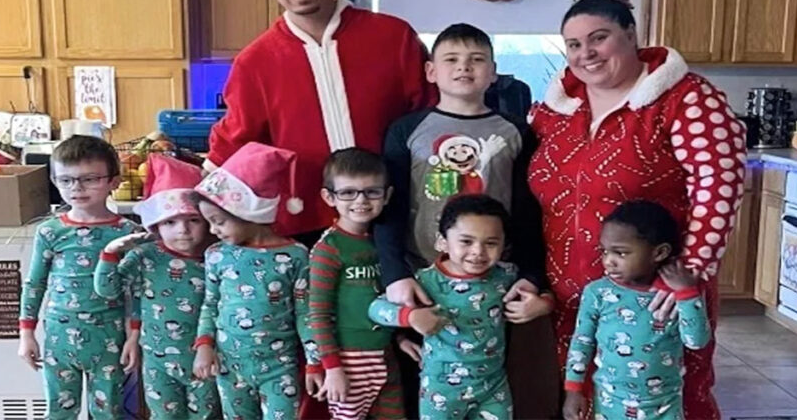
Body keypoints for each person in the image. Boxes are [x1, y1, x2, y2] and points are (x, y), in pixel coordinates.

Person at [527, 0, 746, 420]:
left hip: (653, 299)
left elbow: (718, 186)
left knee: (663, 403)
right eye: (573, 44)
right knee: (579, 398)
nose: (586, 53)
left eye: (599, 38)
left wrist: (688, 273)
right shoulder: (557, 108)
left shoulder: (685, 99)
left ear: (631, 35)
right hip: (571, 299)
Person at [206, 0, 434, 248]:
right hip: (303, 225)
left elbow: (430, 120)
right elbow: (235, 143)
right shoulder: (254, 62)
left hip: (395, 216)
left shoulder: (394, 37)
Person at [374, 22, 557, 417]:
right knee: (422, 384)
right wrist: (394, 275)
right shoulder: (407, 130)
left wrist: (531, 274)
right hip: (423, 278)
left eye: (476, 60)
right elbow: (390, 208)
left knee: (492, 378)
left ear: (493, 72)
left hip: (494, 281)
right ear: (430, 71)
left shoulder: (515, 132)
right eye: (451, 59)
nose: (464, 67)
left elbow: (528, 211)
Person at [370, 194, 554, 420]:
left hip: (493, 388)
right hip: (440, 391)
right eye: (466, 241)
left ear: (504, 245)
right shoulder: (426, 281)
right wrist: (411, 317)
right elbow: (376, 308)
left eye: (491, 243)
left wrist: (544, 305)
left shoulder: (506, 275)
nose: (478, 251)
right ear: (442, 242)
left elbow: (544, 294)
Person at [17, 135, 142, 420]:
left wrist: (134, 336)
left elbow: (136, 290)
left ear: (113, 181)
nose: (77, 187)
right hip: (59, 337)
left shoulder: (127, 232)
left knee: (108, 412)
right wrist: (26, 334)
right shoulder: (50, 231)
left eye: (90, 179)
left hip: (110, 337)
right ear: (55, 181)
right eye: (66, 180)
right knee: (59, 412)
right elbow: (34, 284)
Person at [190, 142, 316, 419]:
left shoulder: (295, 255)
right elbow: (210, 305)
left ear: (248, 212)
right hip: (229, 366)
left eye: (218, 221)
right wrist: (204, 345)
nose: (212, 230)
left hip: (280, 367)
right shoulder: (216, 255)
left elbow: (306, 314)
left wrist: (315, 362)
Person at [93, 154, 221, 419]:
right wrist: (109, 254)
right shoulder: (146, 256)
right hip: (157, 363)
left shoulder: (217, 258)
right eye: (170, 222)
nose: (183, 230)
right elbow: (109, 290)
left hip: (206, 360)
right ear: (156, 225)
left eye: (193, 220)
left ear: (207, 221)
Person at [561, 200, 711, 420]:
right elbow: (581, 343)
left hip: (665, 407)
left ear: (659, 252)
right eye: (604, 251)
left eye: (621, 253)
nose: (608, 261)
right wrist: (573, 391)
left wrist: (687, 294)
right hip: (610, 404)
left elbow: (696, 342)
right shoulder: (597, 293)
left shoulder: (674, 296)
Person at [304, 148, 407, 420]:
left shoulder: (383, 243)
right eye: (348, 192)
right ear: (329, 197)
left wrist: (400, 338)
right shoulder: (329, 248)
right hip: (348, 359)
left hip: (385, 353)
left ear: (387, 195)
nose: (361, 200)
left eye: (372, 192)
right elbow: (317, 314)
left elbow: (383, 298)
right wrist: (332, 368)